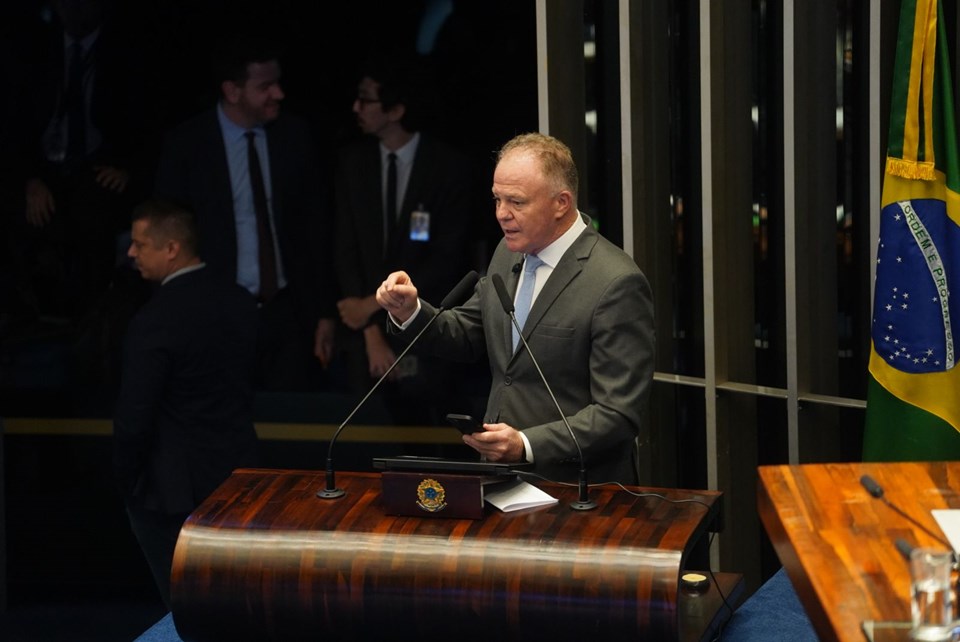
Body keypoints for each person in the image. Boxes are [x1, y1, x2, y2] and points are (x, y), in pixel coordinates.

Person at [376, 133, 655, 484]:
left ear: (561, 203)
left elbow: (617, 414)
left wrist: (526, 444)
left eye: (517, 202)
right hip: (499, 477)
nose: (501, 215)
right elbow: (469, 334)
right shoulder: (508, 253)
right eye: (497, 199)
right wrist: (410, 311)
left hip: (578, 489)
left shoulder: (615, 282)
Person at [154, 36, 337, 391]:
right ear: (232, 90)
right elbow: (170, 233)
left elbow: (315, 230)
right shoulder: (188, 144)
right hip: (216, 310)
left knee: (287, 420)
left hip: (287, 312)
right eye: (265, 86)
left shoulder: (294, 137)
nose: (279, 94)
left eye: (278, 83)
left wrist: (324, 312)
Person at [113, 200, 259, 607]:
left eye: (140, 244)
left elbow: (134, 418)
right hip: (242, 478)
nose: (131, 252)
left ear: (172, 248)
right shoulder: (240, 301)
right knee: (242, 602)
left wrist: (126, 481)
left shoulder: (154, 320)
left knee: (189, 612)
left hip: (173, 493)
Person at [334, 57, 477, 423]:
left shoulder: (447, 168)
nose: (356, 108)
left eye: (366, 99)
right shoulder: (353, 162)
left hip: (426, 332)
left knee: (427, 444)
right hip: (361, 338)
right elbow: (344, 248)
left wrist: (372, 305)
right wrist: (368, 327)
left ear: (396, 109)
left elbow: (448, 261)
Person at [8, 0, 144, 321]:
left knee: (92, 217)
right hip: (46, 165)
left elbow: (144, 121)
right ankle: (30, 318)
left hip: (97, 164)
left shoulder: (122, 53)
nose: (75, 9)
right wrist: (30, 178)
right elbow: (16, 125)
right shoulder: (36, 51)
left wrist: (127, 168)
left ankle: (90, 321)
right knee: (22, 215)